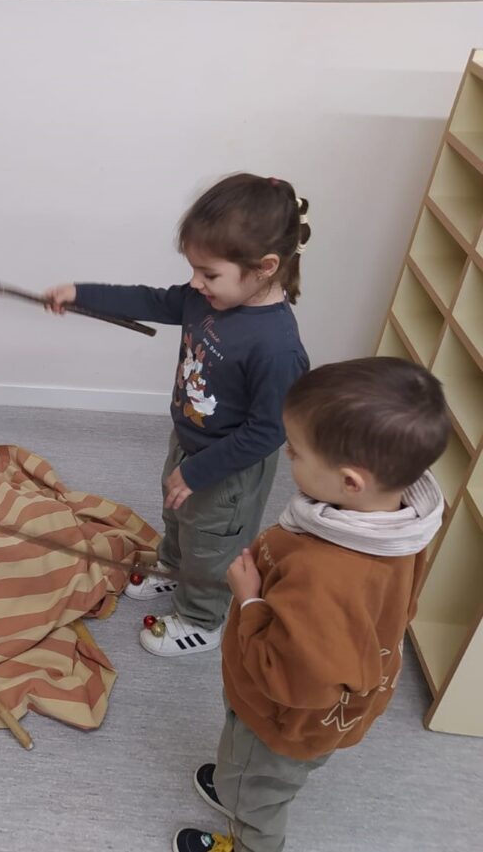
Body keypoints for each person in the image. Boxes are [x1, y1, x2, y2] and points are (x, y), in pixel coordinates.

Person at [173, 356, 448, 852]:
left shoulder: (326, 575)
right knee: (250, 770)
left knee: (258, 796)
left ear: (351, 481)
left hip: (283, 719)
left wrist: (250, 599)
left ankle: (249, 828)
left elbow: (288, 680)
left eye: (296, 452)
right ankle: (240, 778)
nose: (288, 457)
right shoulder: (400, 522)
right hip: (333, 697)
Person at [45, 173, 310, 657]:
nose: (195, 283)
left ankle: (202, 618)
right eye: (194, 270)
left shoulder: (277, 348)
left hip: (230, 467)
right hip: (190, 437)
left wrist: (199, 471)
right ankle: (172, 568)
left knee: (212, 542)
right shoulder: (203, 297)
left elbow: (269, 430)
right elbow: (150, 299)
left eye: (209, 274)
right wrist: (81, 293)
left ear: (265, 267)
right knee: (179, 514)